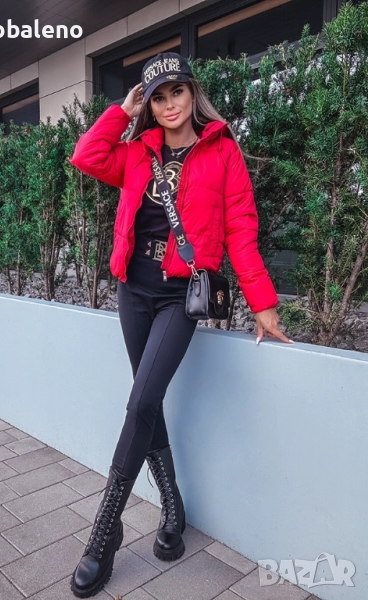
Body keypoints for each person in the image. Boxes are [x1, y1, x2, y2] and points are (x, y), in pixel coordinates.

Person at [68, 51, 293, 598]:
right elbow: (86, 155)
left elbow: (241, 229)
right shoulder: (137, 152)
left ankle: (104, 532)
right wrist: (122, 112)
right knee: (148, 401)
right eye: (158, 97)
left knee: (141, 401)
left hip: (179, 293)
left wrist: (263, 303)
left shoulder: (222, 152)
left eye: (177, 92)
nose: (169, 105)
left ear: (193, 93)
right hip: (133, 289)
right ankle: (172, 506)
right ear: (149, 105)